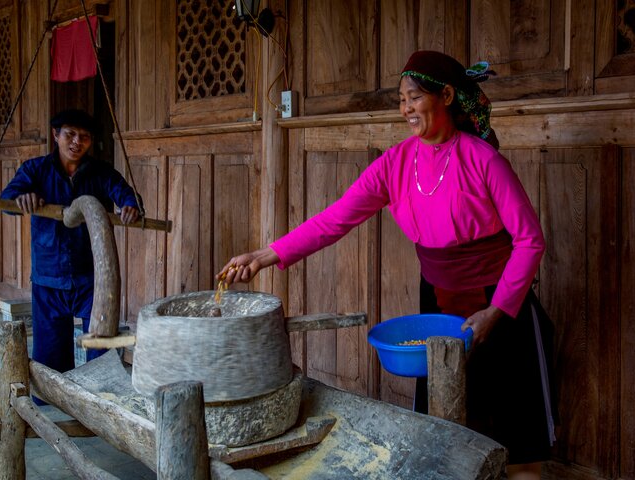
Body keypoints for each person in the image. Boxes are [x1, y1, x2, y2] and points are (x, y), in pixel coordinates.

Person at [217, 51, 556, 479]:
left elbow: (530, 241)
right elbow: (334, 219)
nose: (406, 109)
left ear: (447, 96)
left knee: (521, 451)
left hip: (503, 308)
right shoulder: (396, 164)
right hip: (438, 307)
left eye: (414, 98)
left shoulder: (484, 160)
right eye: (401, 100)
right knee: (446, 438)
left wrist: (497, 310)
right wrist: (265, 256)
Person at [1, 109, 140, 381]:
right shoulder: (35, 169)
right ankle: (52, 410)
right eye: (70, 134)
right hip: (48, 276)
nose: (77, 141)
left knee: (101, 352)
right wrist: (23, 199)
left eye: (85, 137)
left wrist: (131, 205)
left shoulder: (100, 172)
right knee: (50, 359)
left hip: (92, 278)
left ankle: (99, 404)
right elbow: (8, 200)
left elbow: (126, 194)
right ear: (56, 135)